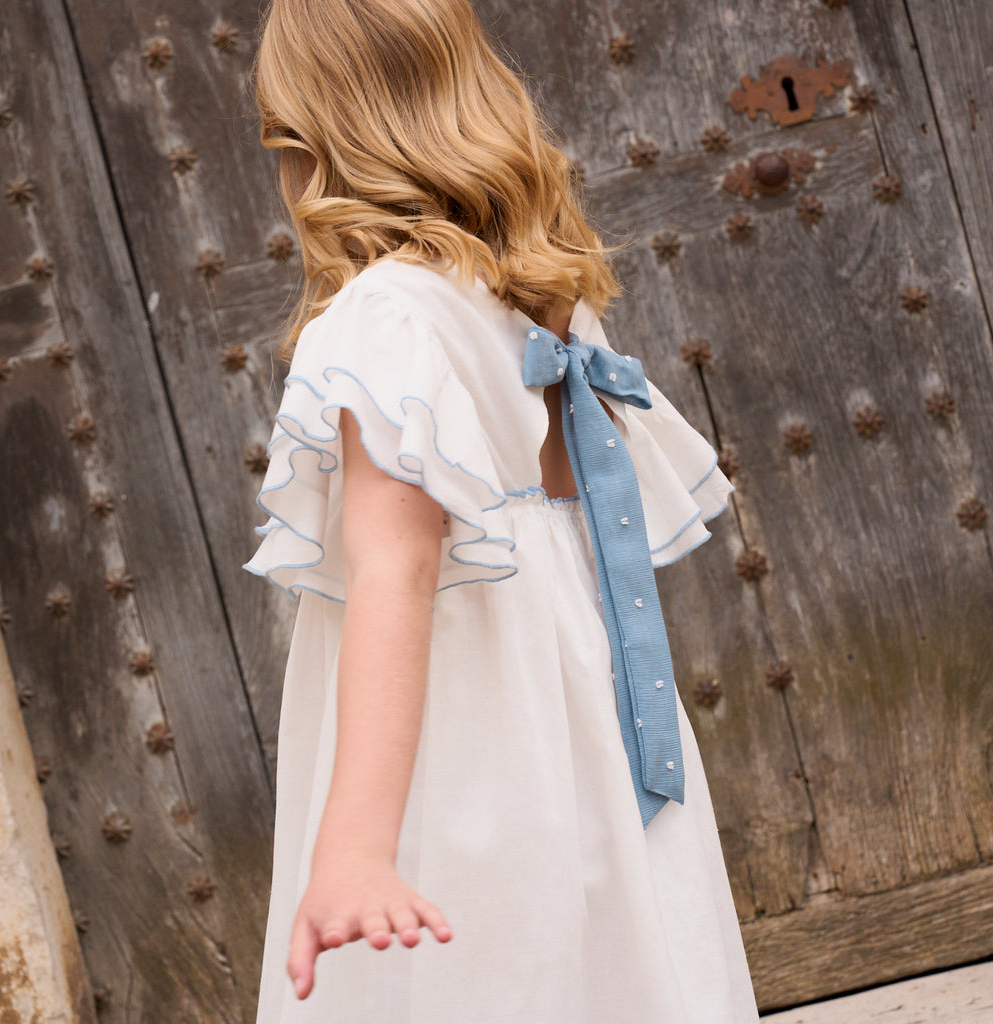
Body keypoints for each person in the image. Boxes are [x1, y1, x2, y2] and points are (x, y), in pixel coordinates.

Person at [244, 0, 760, 1020]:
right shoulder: (541, 297)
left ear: (313, 142)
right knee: (609, 951)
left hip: (466, 727)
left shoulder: (385, 316)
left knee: (483, 970)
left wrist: (354, 845)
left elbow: (398, 566)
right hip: (576, 707)